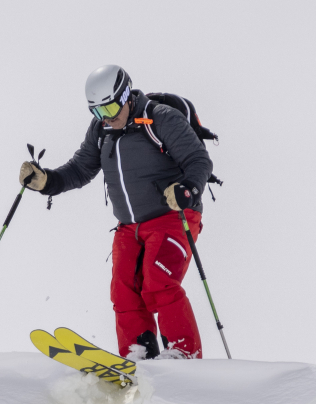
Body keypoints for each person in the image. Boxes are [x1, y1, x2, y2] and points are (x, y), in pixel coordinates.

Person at [19, 64, 214, 359]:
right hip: (129, 228)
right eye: (97, 112)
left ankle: (183, 355)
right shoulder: (102, 131)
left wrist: (187, 189)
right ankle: (139, 355)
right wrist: (48, 181)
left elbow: (199, 160)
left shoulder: (161, 119)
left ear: (125, 96)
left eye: (110, 108)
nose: (107, 118)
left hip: (173, 219)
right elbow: (81, 168)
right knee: (123, 293)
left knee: (159, 284)